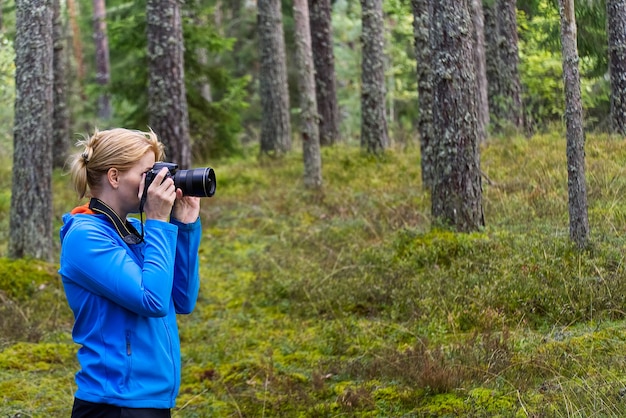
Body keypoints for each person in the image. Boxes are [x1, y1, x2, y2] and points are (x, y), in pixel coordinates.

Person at [59, 128, 202, 418]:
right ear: (114, 177)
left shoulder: (134, 231)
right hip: (114, 403)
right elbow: (152, 301)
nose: (155, 184)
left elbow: (182, 300)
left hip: (151, 399)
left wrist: (184, 226)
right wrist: (159, 220)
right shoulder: (85, 237)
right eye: (148, 174)